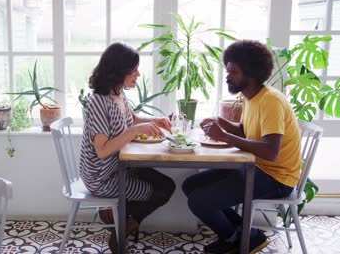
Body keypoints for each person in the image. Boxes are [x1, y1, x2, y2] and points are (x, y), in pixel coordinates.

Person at [182, 40, 301, 254]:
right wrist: (221, 122)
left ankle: (235, 238)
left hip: (276, 177)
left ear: (251, 74)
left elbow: (270, 152)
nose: (227, 76)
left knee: (198, 201)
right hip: (254, 167)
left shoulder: (270, 101)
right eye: (228, 70)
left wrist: (225, 136)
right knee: (190, 185)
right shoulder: (250, 96)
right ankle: (244, 234)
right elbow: (247, 131)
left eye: (233, 72)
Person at [80, 42, 176, 253]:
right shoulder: (99, 101)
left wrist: (157, 121)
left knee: (167, 185)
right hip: (101, 177)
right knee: (159, 192)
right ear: (118, 71)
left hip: (120, 167)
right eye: (133, 70)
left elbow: (132, 120)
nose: (138, 74)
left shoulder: (118, 92)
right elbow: (102, 150)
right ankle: (122, 228)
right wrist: (132, 132)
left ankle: (117, 216)